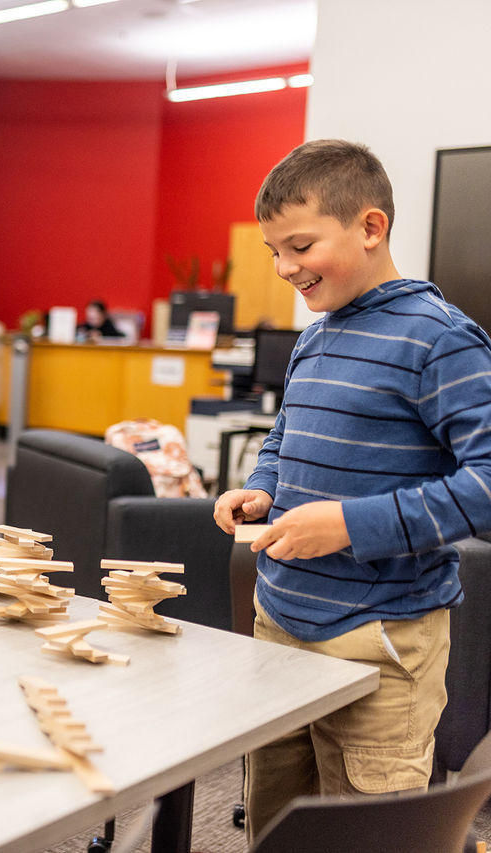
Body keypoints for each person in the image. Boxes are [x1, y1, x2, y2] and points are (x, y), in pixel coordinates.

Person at [213, 139, 491, 843]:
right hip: (279, 627)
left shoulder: (441, 340)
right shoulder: (315, 337)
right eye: (275, 250)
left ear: (370, 228)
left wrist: (348, 525)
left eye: (300, 245)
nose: (284, 268)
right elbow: (284, 441)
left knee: (365, 834)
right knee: (276, 823)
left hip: (380, 641)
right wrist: (261, 489)